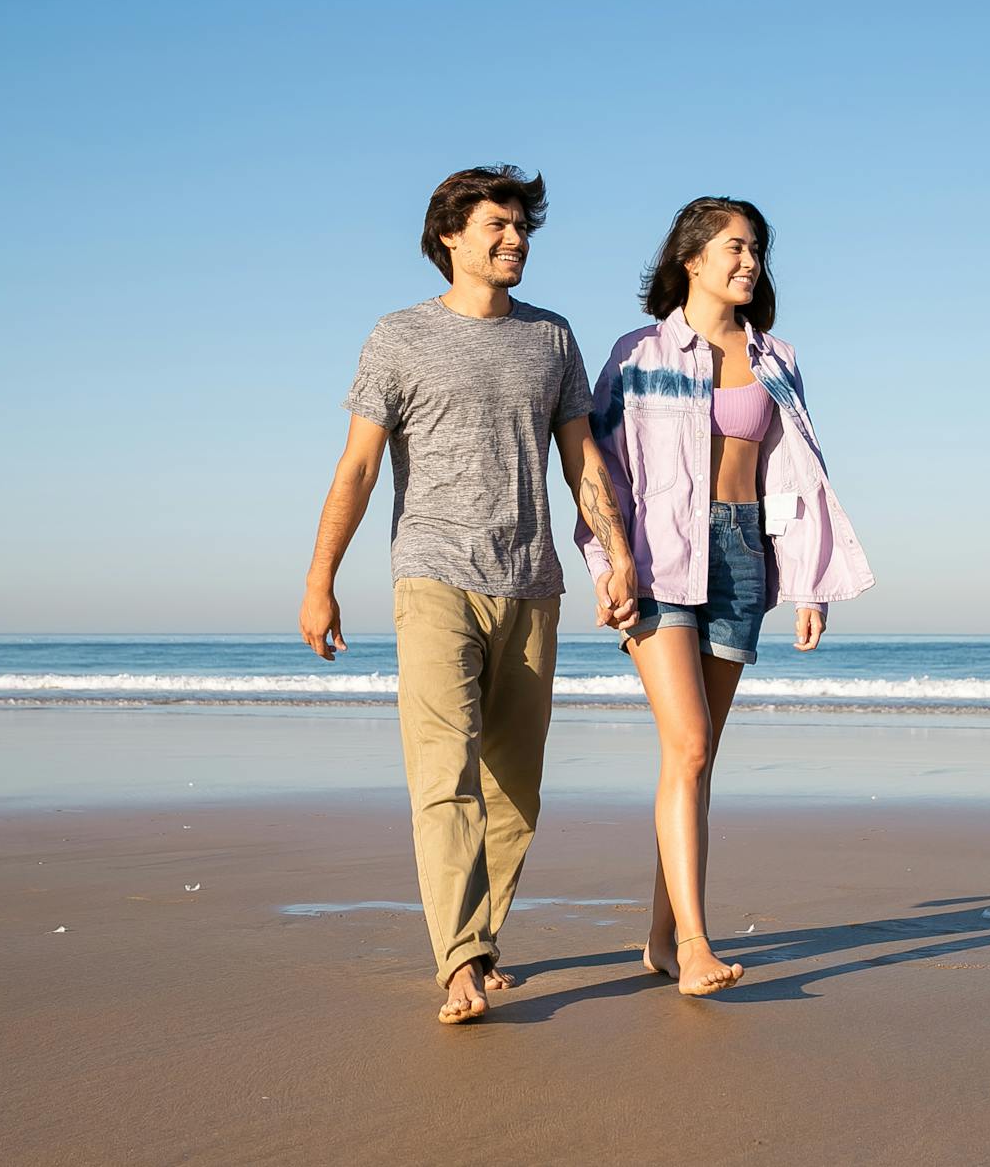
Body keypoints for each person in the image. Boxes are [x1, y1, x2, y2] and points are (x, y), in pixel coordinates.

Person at [299, 165, 638, 1025]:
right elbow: (360, 465)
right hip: (434, 578)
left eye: (522, 225)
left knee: (515, 788)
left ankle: (480, 941)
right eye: (497, 223)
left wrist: (617, 556)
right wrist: (320, 580)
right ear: (450, 234)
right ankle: (459, 961)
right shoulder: (399, 338)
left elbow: (582, 463)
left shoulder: (552, 339)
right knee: (444, 775)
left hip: (532, 582)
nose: (515, 237)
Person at [578, 196, 874, 996]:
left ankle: (661, 936)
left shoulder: (775, 356)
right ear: (693, 259)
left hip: (743, 552)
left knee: (697, 762)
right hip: (657, 559)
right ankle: (698, 946)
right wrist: (610, 561)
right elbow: (596, 466)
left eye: (757, 251)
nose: (750, 263)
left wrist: (809, 582)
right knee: (691, 745)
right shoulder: (637, 354)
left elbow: (798, 475)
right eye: (735, 248)